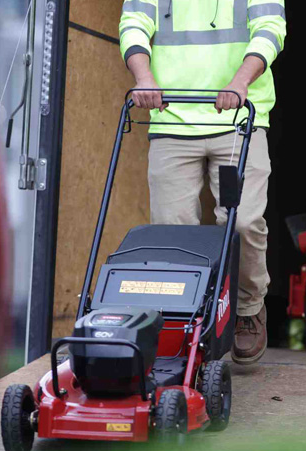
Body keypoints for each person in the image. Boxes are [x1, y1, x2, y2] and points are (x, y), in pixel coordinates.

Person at [119, 0, 286, 365]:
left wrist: (240, 82)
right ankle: (182, 322)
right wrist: (144, 79)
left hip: (237, 120)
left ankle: (247, 308)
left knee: (240, 220)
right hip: (173, 120)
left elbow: (271, 30)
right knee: (171, 231)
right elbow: (133, 25)